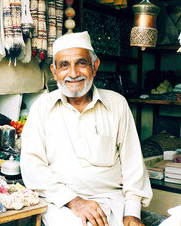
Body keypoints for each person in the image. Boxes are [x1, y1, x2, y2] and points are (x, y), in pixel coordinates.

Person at [20, 31, 152, 226]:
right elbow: (32, 166)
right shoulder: (42, 107)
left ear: (94, 66)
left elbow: (133, 165)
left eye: (81, 63)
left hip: (111, 201)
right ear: (54, 71)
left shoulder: (117, 104)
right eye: (64, 65)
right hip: (62, 203)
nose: (73, 73)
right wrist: (74, 201)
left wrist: (132, 213)